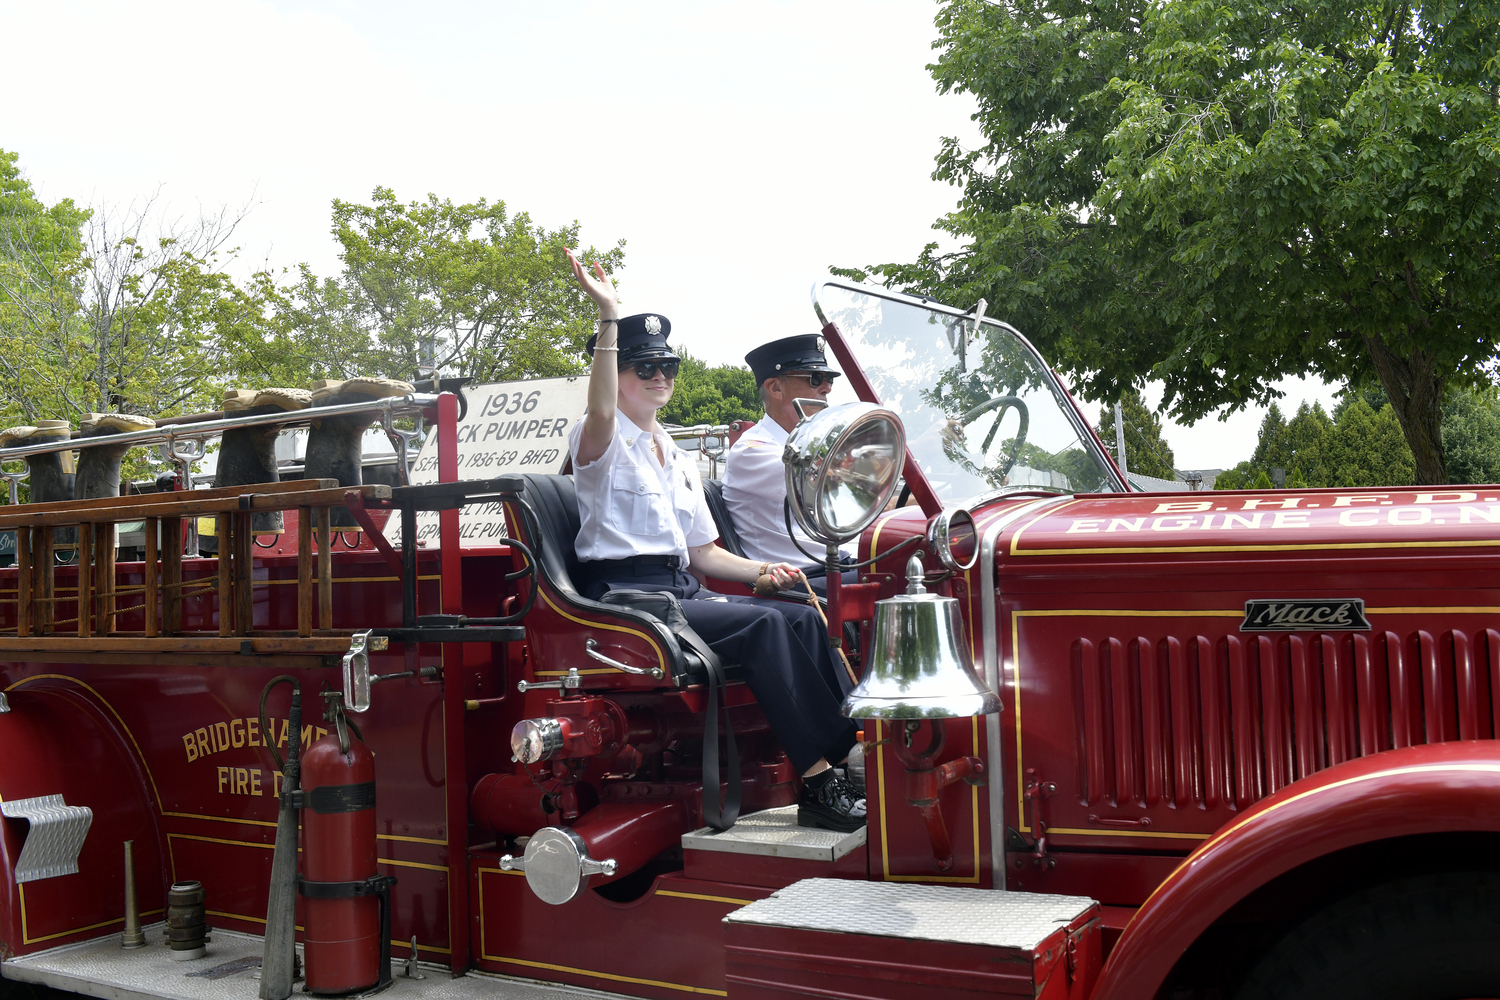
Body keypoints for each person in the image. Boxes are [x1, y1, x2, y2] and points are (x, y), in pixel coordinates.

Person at [564, 249, 864, 833]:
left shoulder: (674, 455)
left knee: (799, 613)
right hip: (625, 598)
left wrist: (764, 573)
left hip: (677, 589)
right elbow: (600, 405)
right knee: (765, 625)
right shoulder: (598, 439)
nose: (658, 378)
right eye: (642, 367)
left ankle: (846, 756)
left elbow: (702, 553)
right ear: (615, 372)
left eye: (666, 368)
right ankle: (819, 783)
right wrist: (607, 316)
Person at [722, 335, 856, 594]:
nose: (827, 388)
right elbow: (847, 488)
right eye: (815, 379)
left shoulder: (810, 447)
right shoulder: (753, 451)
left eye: (829, 380)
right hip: (799, 579)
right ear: (775, 388)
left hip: (839, 567)